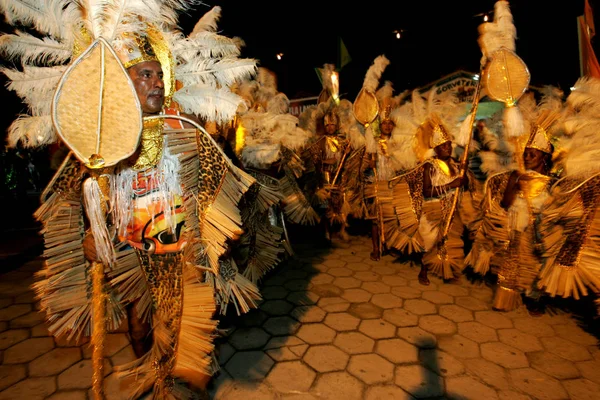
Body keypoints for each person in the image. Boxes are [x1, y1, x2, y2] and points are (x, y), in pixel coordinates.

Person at [1, 3, 258, 398]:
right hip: (131, 253)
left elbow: (215, 179)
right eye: (145, 75)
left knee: (176, 325)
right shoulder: (100, 140)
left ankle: (168, 378)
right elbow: (73, 195)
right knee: (139, 328)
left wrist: (219, 227)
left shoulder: (184, 130)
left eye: (159, 75)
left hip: (179, 251)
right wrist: (93, 235)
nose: (156, 83)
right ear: (125, 82)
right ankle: (155, 377)